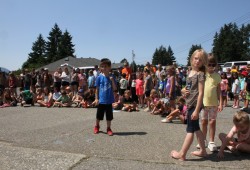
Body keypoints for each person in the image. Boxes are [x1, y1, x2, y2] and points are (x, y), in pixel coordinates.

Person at [171, 49, 208, 161]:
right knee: (196, 128)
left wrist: (197, 110)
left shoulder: (200, 74)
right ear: (192, 59)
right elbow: (187, 88)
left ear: (203, 62)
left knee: (190, 129)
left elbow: (201, 93)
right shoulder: (190, 72)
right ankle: (203, 151)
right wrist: (183, 91)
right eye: (196, 58)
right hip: (189, 102)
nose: (197, 61)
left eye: (200, 60)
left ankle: (182, 154)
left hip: (195, 104)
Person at [199, 54, 223, 152]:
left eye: (213, 65)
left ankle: (211, 141)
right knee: (204, 122)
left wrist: (220, 103)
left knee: (212, 122)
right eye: (209, 64)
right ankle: (203, 140)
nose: (211, 67)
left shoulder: (217, 76)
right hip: (203, 104)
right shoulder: (202, 75)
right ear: (205, 64)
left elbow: (219, 91)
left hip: (213, 103)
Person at [92, 58, 117, 136]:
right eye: (102, 66)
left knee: (109, 116)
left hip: (109, 100)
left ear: (109, 67)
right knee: (99, 115)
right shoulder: (99, 77)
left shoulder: (112, 76)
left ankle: (108, 128)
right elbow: (97, 89)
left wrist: (112, 80)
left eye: (106, 66)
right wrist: (96, 98)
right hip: (101, 100)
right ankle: (97, 126)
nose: (104, 68)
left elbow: (115, 89)